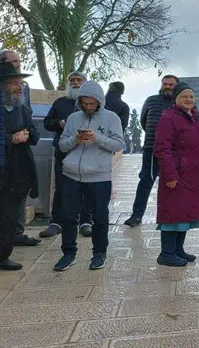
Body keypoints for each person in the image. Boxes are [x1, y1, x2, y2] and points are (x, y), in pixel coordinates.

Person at [53, 82, 124, 271]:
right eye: (84, 103)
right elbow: (62, 145)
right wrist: (75, 139)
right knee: (68, 216)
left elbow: (118, 145)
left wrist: (97, 138)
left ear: (99, 102)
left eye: (92, 103)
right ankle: (68, 253)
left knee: (100, 217)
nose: (88, 107)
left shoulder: (112, 118)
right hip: (71, 175)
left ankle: (99, 253)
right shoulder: (73, 118)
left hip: (99, 176)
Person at [153, 82, 199, 266]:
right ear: (176, 99)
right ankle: (166, 253)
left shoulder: (194, 117)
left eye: (191, 96)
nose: (189, 99)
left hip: (192, 176)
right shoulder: (169, 118)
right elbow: (162, 148)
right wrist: (169, 175)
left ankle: (178, 249)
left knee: (183, 214)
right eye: (184, 96)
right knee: (172, 214)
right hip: (177, 174)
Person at [40, 71, 92, 239]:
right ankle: (56, 222)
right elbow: (47, 123)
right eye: (73, 80)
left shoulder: (92, 103)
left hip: (86, 151)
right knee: (61, 187)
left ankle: (85, 222)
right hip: (64, 151)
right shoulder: (60, 103)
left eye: (79, 80)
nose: (75, 82)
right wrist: (59, 123)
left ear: (85, 83)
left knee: (86, 187)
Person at [125, 74, 179, 227]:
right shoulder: (151, 100)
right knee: (146, 180)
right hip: (152, 148)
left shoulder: (180, 102)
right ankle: (137, 215)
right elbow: (144, 121)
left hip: (172, 151)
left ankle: (170, 215)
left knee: (172, 182)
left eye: (171, 85)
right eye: (165, 84)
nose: (168, 87)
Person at [0, 61, 39, 270]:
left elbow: (34, 132)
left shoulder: (22, 108)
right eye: (14, 83)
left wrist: (27, 135)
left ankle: (3, 255)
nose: (18, 87)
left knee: (10, 215)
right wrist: (10, 138)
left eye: (21, 83)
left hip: (17, 172)